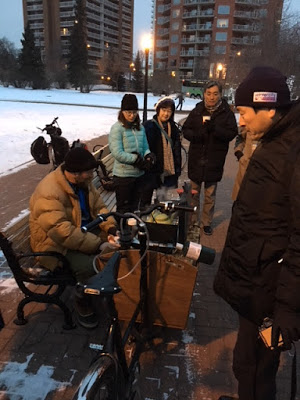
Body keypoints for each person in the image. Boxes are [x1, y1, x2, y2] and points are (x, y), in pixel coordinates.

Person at [214, 66, 300, 400]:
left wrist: (288, 307)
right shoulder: (276, 140)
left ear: (269, 108)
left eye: (245, 113)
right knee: (246, 362)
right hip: (257, 280)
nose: (242, 122)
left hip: (270, 288)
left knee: (257, 369)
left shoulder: (293, 150)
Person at [29, 147, 119, 328]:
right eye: (89, 172)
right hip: (53, 246)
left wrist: (110, 228)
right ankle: (81, 299)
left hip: (80, 232)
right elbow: (62, 232)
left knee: (119, 251)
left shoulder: (83, 182)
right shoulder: (50, 192)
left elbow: (99, 207)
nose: (92, 175)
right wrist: (98, 245)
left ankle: (106, 292)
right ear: (76, 173)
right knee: (92, 265)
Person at [182, 81, 238, 235]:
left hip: (214, 160)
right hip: (197, 158)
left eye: (215, 93)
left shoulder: (227, 112)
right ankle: (193, 221)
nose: (212, 97)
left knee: (209, 195)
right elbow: (186, 130)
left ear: (220, 94)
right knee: (193, 194)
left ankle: (206, 222)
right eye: (209, 93)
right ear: (204, 94)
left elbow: (232, 133)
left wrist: (216, 129)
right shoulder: (198, 110)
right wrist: (196, 135)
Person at [108, 94, 155, 215]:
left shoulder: (140, 128)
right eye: (128, 112)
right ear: (122, 111)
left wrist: (148, 155)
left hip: (139, 175)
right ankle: (122, 232)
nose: (131, 115)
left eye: (134, 112)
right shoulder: (117, 128)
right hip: (123, 176)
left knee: (135, 209)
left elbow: (145, 147)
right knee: (123, 210)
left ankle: (132, 231)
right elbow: (117, 153)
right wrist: (136, 159)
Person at [141, 96, 182, 207]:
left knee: (162, 200)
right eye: (164, 110)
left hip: (166, 171)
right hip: (151, 170)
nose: (166, 114)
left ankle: (159, 220)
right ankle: (144, 219)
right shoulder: (149, 126)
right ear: (158, 110)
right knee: (145, 200)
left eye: (169, 111)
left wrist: (177, 169)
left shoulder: (173, 128)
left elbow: (176, 150)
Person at [231, 126, 259, 201]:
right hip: (245, 164)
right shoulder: (249, 125)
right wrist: (238, 153)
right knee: (239, 196)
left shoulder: (271, 127)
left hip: (262, 167)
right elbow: (240, 138)